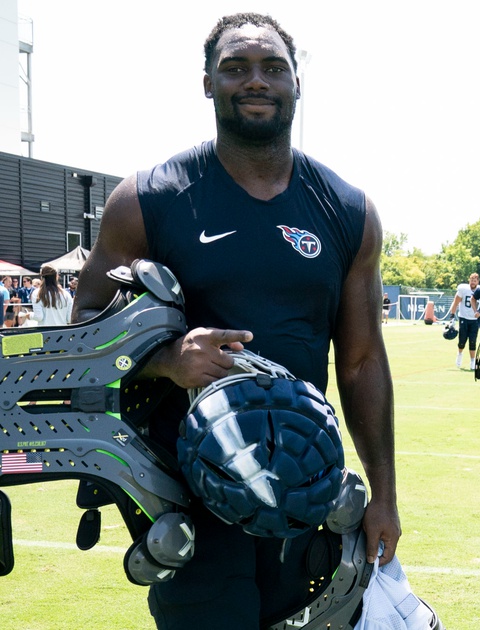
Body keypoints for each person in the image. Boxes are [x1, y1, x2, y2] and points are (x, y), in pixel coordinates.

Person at [71, 13, 400, 629]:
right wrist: (168, 358)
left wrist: (383, 491)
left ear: (298, 84)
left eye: (274, 68)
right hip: (187, 491)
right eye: (236, 68)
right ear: (207, 84)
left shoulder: (348, 208)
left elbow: (360, 362)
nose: (257, 81)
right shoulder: (150, 196)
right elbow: (85, 321)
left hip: (304, 487)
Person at [447, 272, 480, 369]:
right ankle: (459, 356)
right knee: (462, 340)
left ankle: (473, 362)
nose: (472, 282)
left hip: (475, 319)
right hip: (464, 318)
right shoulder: (463, 289)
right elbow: (456, 302)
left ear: (478, 281)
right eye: (471, 280)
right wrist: (452, 316)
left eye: (475, 280)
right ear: (469, 280)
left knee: (473, 341)